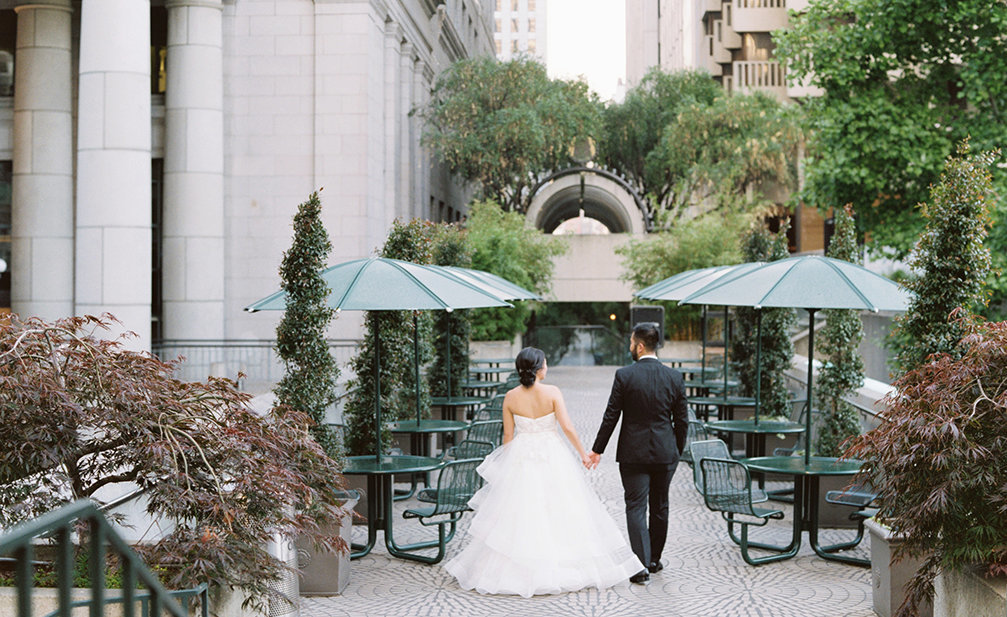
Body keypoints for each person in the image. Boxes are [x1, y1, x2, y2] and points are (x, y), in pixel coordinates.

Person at [444, 347, 643, 598]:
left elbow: (507, 436)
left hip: (522, 454)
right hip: (553, 454)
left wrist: (509, 463)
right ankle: (560, 563)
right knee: (561, 506)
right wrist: (584, 454)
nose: (547, 367)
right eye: (546, 363)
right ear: (540, 368)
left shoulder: (510, 397)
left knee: (520, 511)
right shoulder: (552, 393)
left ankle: (516, 566)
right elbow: (567, 427)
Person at [588, 323, 689, 584]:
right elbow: (682, 421)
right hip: (665, 453)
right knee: (660, 505)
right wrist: (676, 450)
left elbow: (611, 416)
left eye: (632, 343)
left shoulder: (624, 375)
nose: (630, 347)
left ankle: (641, 566)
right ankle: (654, 560)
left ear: (640, 346)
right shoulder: (674, 377)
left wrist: (597, 449)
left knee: (635, 506)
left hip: (633, 454)